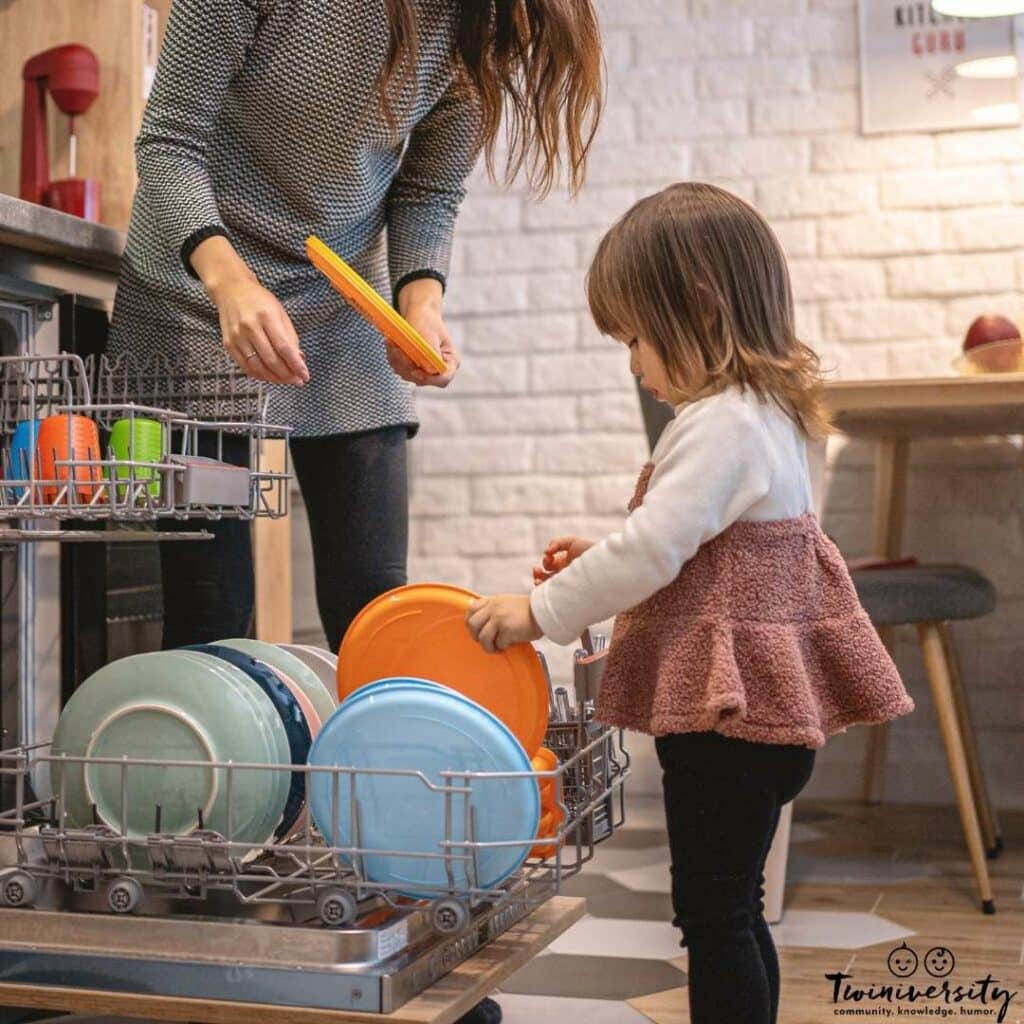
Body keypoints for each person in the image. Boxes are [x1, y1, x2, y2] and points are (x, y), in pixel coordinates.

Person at [465, 183, 915, 1024]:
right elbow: (705, 552)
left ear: (699, 312)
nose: (632, 362)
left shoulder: (720, 425)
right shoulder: (768, 417)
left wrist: (539, 612)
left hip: (727, 725)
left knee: (712, 919)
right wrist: (601, 553)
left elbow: (656, 551)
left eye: (635, 337)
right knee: (736, 909)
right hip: (762, 721)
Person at [107, 0, 603, 658]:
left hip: (343, 296)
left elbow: (429, 189)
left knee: (373, 602)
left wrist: (419, 305)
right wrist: (229, 282)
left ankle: (363, 761)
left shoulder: (479, 24)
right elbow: (170, 143)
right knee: (212, 605)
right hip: (195, 286)